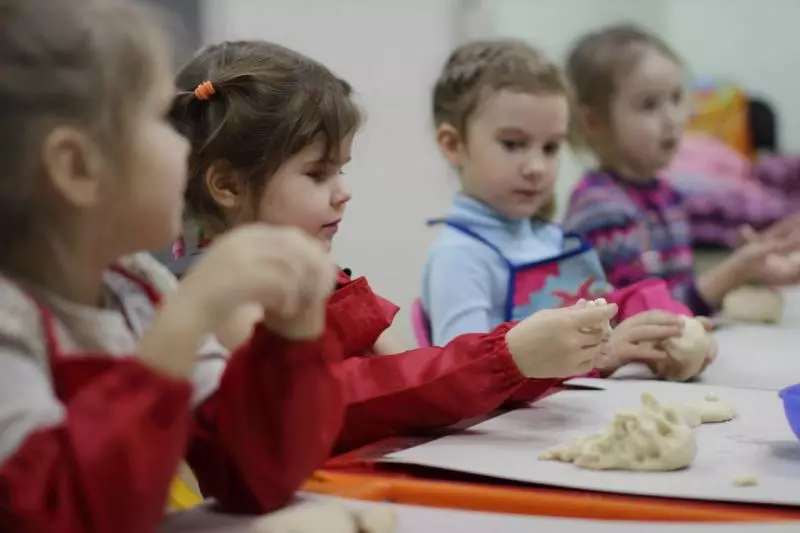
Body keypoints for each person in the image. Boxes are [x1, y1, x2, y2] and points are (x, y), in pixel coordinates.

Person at [168, 39, 619, 455]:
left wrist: (532, 364)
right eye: (317, 174)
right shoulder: (225, 300)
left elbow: (415, 376)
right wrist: (509, 359)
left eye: (340, 170)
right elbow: (333, 401)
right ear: (227, 184)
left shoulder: (325, 276)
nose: (343, 192)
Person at [0, 1, 348, 531]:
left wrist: (290, 340)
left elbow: (253, 474)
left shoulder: (140, 287)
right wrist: (183, 323)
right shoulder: (10, 321)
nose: (187, 144)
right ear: (76, 167)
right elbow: (57, 513)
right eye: (161, 119)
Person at [420, 39, 711, 378]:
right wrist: (603, 355)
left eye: (550, 147)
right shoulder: (460, 258)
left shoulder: (551, 238)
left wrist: (673, 325)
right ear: (453, 145)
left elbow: (615, 304)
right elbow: (465, 377)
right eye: (513, 144)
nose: (536, 167)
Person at [562, 24, 800, 315]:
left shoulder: (666, 194)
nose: (672, 118)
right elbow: (641, 318)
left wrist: (752, 268)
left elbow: (681, 296)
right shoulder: (602, 212)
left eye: (676, 99)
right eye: (649, 105)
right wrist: (730, 274)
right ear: (593, 123)